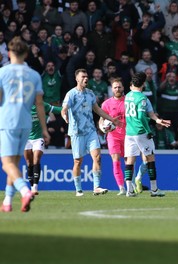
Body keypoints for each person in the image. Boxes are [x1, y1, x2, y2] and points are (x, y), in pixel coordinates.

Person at [0, 36, 50, 212]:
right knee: (14, 162)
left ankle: (24, 190)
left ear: (9, 52)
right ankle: (7, 201)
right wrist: (44, 129)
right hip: (26, 123)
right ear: (27, 53)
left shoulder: (3, 72)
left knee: (7, 163)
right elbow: (39, 104)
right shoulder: (34, 75)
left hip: (8, 121)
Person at [61, 69, 120, 197]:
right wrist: (64, 114)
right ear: (77, 79)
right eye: (83, 77)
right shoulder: (71, 94)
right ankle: (78, 189)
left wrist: (111, 119)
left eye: (87, 76)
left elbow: (97, 109)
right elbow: (64, 108)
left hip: (91, 131)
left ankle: (96, 187)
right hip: (77, 132)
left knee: (97, 157)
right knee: (78, 161)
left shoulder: (90, 94)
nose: (86, 79)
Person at [124, 72, 171, 197]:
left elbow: (150, 114)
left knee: (130, 160)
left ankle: (129, 190)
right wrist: (149, 131)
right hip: (140, 132)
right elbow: (141, 117)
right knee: (150, 158)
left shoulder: (127, 96)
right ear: (143, 83)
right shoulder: (142, 98)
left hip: (129, 133)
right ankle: (154, 189)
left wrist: (158, 120)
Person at [24, 103, 62, 195]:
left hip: (38, 138)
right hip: (26, 138)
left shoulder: (41, 105)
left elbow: (57, 109)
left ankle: (35, 187)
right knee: (29, 162)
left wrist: (67, 107)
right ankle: (32, 185)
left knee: (36, 158)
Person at [100, 78, 126, 196]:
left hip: (128, 136)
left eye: (119, 87)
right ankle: (121, 188)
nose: (117, 89)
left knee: (129, 162)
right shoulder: (106, 104)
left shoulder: (128, 101)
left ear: (123, 88)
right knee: (116, 161)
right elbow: (101, 120)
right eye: (115, 87)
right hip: (113, 136)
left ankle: (130, 185)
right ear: (112, 89)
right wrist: (102, 128)